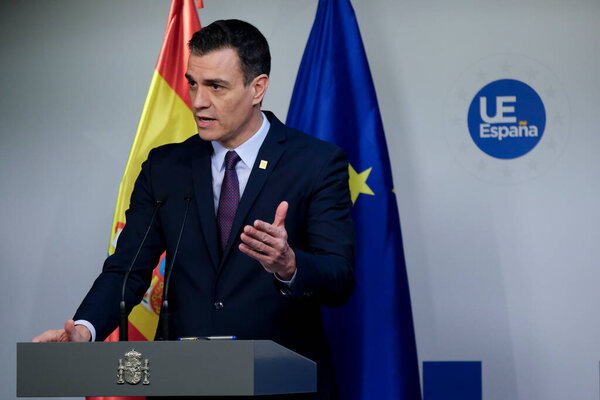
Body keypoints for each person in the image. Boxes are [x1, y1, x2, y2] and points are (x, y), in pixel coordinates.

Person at [33, 19, 355, 400]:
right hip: (182, 383)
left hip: (280, 382)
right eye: (193, 83)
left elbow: (339, 278)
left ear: (258, 88)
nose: (198, 101)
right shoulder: (165, 167)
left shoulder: (316, 162)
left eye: (216, 86)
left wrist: (289, 265)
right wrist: (85, 330)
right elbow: (127, 268)